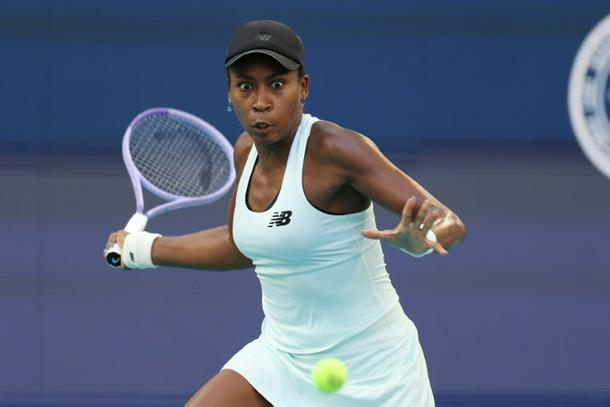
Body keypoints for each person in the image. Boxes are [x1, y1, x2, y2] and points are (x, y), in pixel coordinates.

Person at [105, 19, 465, 407]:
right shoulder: (245, 152)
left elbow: (448, 222)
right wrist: (142, 249)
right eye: (246, 86)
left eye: (277, 84)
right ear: (229, 92)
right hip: (283, 358)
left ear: (302, 87)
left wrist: (422, 241)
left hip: (376, 370)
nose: (261, 101)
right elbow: (243, 244)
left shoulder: (336, 150)